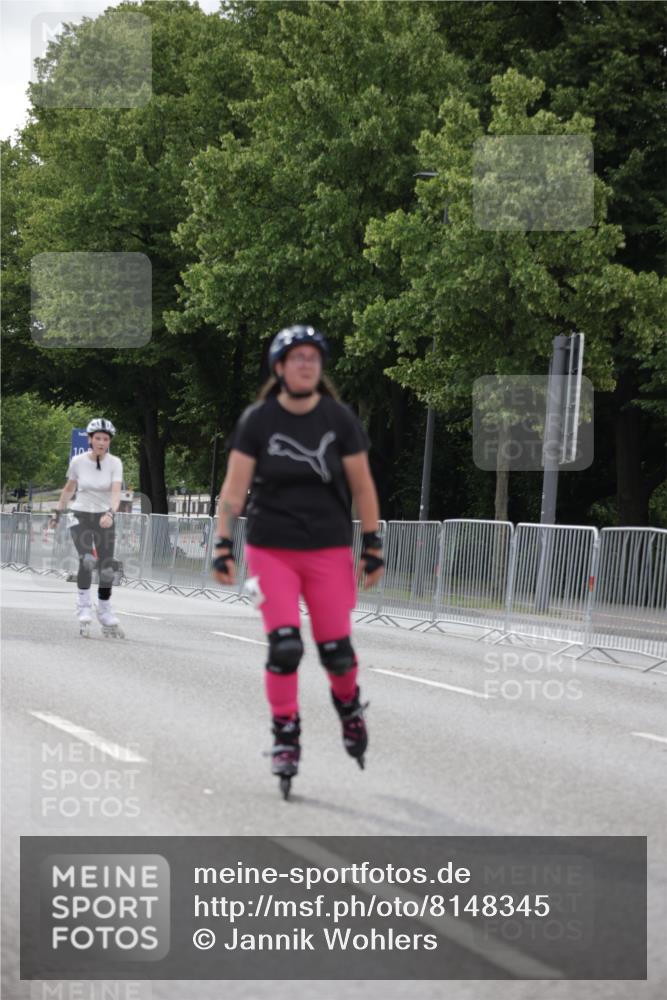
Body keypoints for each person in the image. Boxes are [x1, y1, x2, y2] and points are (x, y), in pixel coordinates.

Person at [213, 324, 384, 798]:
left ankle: (349, 708)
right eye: (297, 357)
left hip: (328, 549)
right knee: (285, 647)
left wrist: (372, 543)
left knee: (337, 653)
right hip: (272, 549)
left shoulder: (339, 419)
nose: (306, 363)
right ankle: (285, 734)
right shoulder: (258, 420)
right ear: (280, 367)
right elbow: (234, 487)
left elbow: (363, 485)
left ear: (320, 366)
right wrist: (223, 542)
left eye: (313, 357)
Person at [50, 418, 123, 635]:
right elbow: (68, 490)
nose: (101, 442)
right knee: (88, 560)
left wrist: (111, 512)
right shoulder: (78, 461)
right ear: (90, 439)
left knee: (107, 567)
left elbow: (116, 492)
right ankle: (83, 606)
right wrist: (57, 513)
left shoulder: (115, 463)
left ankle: (104, 608)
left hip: (104, 517)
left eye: (106, 439)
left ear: (109, 442)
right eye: (98, 438)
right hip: (81, 515)